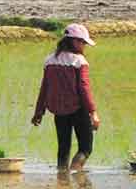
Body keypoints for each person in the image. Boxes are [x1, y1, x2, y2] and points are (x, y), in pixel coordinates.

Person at [32, 23, 99, 171]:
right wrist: (93, 112)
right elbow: (84, 88)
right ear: (75, 41)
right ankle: (76, 174)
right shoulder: (79, 61)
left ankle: (62, 180)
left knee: (63, 148)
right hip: (78, 110)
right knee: (86, 148)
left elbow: (45, 88)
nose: (84, 47)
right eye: (83, 43)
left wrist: (39, 112)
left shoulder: (49, 61)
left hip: (59, 111)